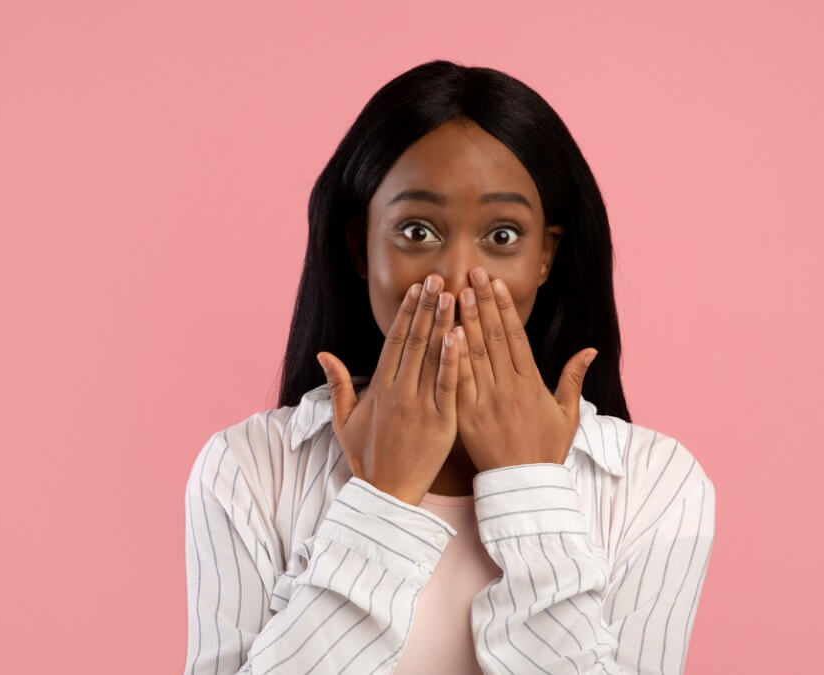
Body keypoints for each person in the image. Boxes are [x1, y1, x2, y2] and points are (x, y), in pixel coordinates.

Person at [184, 59, 716, 675]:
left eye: (502, 237)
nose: (460, 277)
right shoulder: (249, 469)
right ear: (360, 248)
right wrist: (381, 503)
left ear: (546, 256)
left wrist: (528, 487)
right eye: (417, 231)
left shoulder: (656, 485)